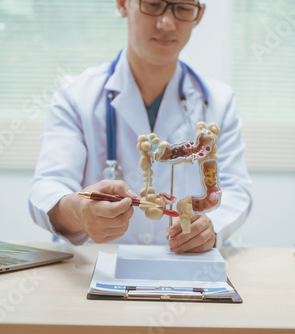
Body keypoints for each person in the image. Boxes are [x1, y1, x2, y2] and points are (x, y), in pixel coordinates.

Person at [28, 0, 252, 253]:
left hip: (186, 269)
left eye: (183, 9)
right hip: (95, 268)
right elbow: (47, 187)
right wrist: (79, 212)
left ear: (198, 15)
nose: (167, 23)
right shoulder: (75, 95)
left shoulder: (218, 100)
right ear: (123, 4)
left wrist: (212, 226)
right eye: (153, 4)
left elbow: (236, 189)